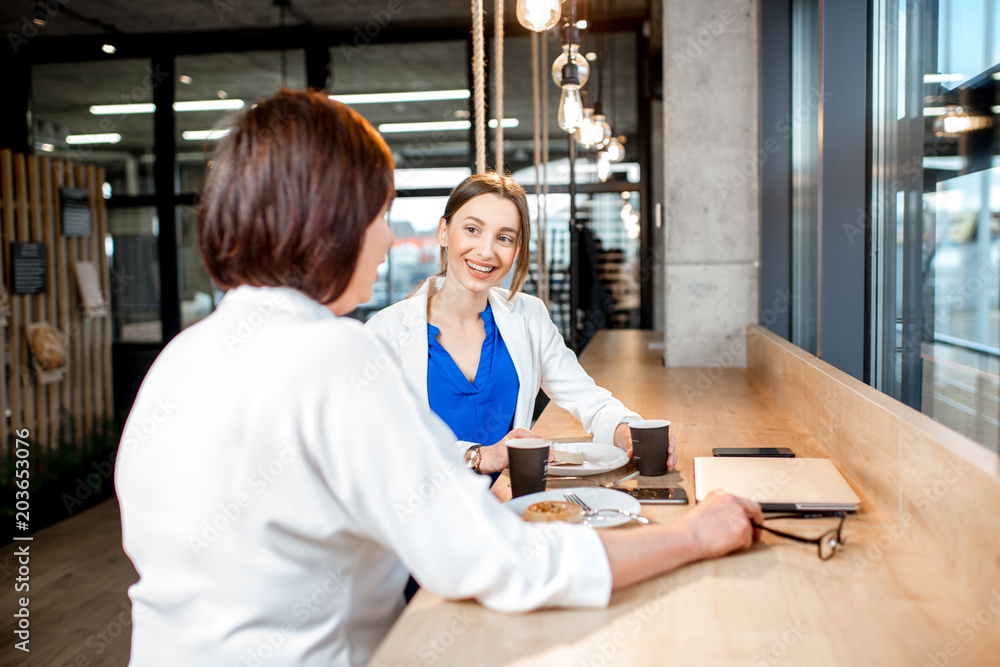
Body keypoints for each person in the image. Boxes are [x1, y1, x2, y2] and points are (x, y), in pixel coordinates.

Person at [115, 88, 762, 667]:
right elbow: (494, 560)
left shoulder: (178, 360)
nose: (390, 240)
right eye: (379, 214)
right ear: (329, 219)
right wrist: (694, 534)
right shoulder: (339, 356)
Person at [365, 172, 676, 481]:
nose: (486, 252)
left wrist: (625, 430)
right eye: (472, 229)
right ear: (444, 232)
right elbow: (378, 441)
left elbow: (588, 399)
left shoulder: (528, 315)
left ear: (516, 249)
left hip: (507, 502)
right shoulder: (386, 331)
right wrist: (478, 456)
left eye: (504, 238)